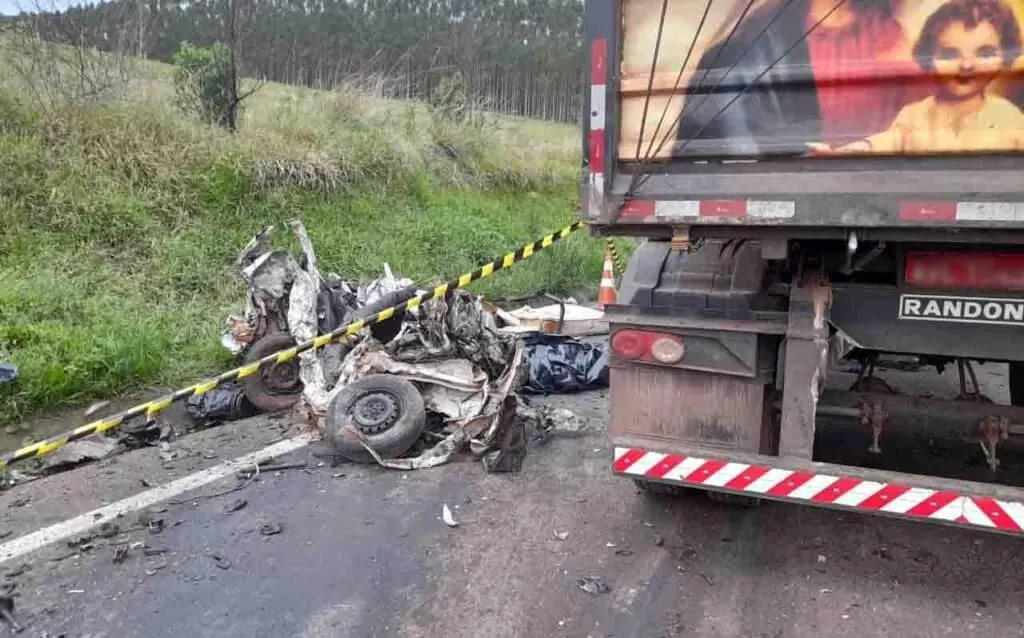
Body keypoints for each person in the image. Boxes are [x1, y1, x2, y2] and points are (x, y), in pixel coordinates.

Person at [673, 0, 918, 157]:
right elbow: (735, 145)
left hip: (864, 179)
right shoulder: (752, 44)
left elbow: (914, 121)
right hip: (800, 181)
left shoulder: (886, 31)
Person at [817, 0, 1024, 154]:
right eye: (950, 54)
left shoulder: (1009, 118)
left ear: (1005, 56)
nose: (966, 65)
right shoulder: (914, 115)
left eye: (984, 53)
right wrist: (846, 153)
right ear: (928, 57)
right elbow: (883, 144)